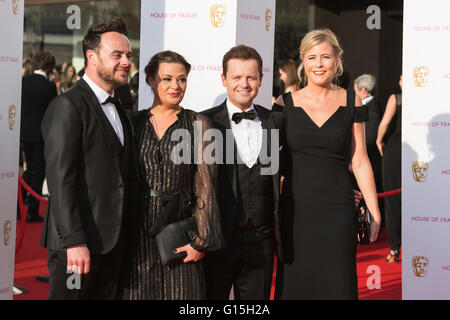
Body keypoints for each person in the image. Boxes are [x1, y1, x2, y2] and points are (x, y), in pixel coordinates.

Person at [273, 28, 381, 299]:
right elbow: (271, 163)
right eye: (311, 58)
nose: (318, 64)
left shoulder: (350, 100)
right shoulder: (284, 104)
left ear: (338, 59)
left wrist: (374, 210)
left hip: (338, 211)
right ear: (302, 61)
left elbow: (360, 160)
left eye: (325, 57)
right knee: (296, 285)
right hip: (295, 211)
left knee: (338, 285)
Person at [40, 17, 138, 300]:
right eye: (116, 55)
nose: (125, 62)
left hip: (114, 244)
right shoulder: (67, 105)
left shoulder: (119, 108)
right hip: (77, 247)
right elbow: (60, 181)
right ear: (91, 57)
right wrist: (74, 242)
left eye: (128, 55)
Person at [121, 50, 224, 300]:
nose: (175, 86)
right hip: (136, 235)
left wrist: (202, 240)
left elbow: (206, 187)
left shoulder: (200, 124)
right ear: (150, 81)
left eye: (182, 79)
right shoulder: (131, 123)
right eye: (166, 79)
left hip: (179, 236)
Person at [201, 45, 286, 300]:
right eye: (237, 77)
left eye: (251, 77)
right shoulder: (205, 122)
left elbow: (301, 165)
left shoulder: (276, 121)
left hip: (261, 239)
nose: (244, 84)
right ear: (224, 79)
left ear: (261, 80)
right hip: (217, 239)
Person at [20, 51, 57, 222]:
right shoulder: (48, 86)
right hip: (41, 135)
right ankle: (32, 211)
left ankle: (18, 204)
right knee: (38, 170)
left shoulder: (23, 82)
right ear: (49, 67)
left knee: (30, 169)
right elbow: (53, 113)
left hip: (24, 134)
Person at [376, 75, 402, 263]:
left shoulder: (396, 98)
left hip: (395, 151)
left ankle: (394, 248)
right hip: (419, 154)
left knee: (393, 202)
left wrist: (378, 140)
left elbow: (385, 122)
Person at [354, 74, 384, 226]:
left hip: (369, 163)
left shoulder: (371, 109)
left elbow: (370, 139)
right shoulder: (369, 107)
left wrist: (355, 148)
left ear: (363, 90)